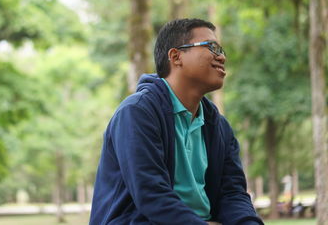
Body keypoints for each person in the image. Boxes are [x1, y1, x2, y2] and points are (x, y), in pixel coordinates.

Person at [89, 18, 264, 225]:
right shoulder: (137, 113)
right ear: (176, 56)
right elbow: (152, 195)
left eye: (221, 50)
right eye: (212, 47)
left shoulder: (220, 128)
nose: (222, 57)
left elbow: (233, 194)